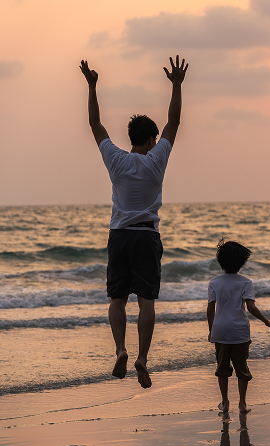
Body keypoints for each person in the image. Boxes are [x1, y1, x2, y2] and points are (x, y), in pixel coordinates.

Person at [79, 55, 189, 388]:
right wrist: (177, 85)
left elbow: (95, 125)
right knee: (146, 303)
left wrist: (92, 85)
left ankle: (119, 350)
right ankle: (142, 357)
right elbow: (174, 121)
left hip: (119, 236)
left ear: (130, 138)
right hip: (146, 236)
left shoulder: (116, 159)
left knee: (116, 299)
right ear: (152, 139)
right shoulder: (157, 159)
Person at [208, 238, 270, 413]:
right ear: (242, 262)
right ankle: (242, 404)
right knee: (242, 369)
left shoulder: (214, 282)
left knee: (222, 369)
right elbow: (251, 307)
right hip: (240, 332)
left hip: (221, 331)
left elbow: (210, 309)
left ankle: (224, 402)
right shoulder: (246, 282)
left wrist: (211, 330)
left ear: (220, 261)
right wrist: (266, 321)